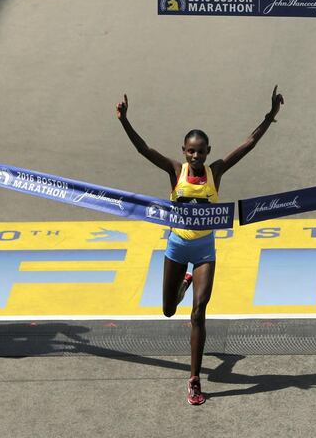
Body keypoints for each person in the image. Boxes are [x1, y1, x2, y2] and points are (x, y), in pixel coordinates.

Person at [116, 86, 283, 404]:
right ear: (183, 151)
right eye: (191, 151)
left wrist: (271, 114)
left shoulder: (215, 171)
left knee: (198, 313)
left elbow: (248, 144)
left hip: (205, 250)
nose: (196, 156)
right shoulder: (174, 171)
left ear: (208, 152)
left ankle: (194, 380)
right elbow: (143, 149)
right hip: (178, 247)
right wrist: (125, 120)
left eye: (201, 151)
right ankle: (183, 284)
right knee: (168, 309)